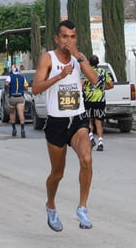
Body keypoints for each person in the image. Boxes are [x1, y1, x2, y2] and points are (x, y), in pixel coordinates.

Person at [32, 20, 98, 232]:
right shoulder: (48, 58)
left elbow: (95, 80)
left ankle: (82, 208)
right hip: (56, 122)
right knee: (57, 173)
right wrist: (59, 76)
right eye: (64, 36)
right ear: (56, 38)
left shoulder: (80, 58)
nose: (68, 41)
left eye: (72, 36)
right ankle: (51, 205)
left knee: (86, 158)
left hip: (78, 119)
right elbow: (35, 89)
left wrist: (79, 56)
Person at [83, 55, 114, 151]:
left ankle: (91, 137)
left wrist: (85, 89)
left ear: (89, 62)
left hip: (88, 99)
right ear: (98, 63)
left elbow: (82, 85)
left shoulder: (86, 72)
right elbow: (111, 85)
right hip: (100, 100)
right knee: (98, 121)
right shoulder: (103, 72)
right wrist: (101, 88)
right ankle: (100, 143)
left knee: (88, 120)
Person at [5, 64, 28, 138]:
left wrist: (7, 88)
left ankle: (14, 129)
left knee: (12, 113)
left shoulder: (9, 77)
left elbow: (6, 84)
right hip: (20, 97)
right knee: (21, 114)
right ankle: (22, 130)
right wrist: (23, 88)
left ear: (12, 70)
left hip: (12, 97)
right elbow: (26, 87)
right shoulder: (23, 77)